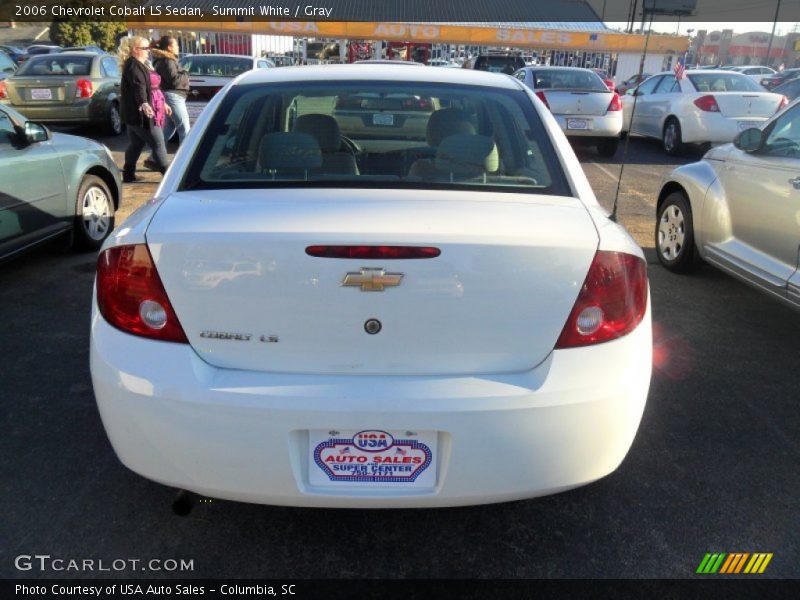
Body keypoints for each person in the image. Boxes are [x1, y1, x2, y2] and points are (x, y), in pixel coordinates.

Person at [119, 36, 171, 183]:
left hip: (137, 113)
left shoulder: (140, 64)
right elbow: (138, 87)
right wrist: (144, 103)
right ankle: (169, 179)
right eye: (145, 48)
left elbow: (152, 87)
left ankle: (128, 174)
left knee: (136, 145)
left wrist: (162, 104)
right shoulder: (134, 66)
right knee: (158, 143)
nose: (148, 51)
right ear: (136, 50)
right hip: (141, 114)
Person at [149, 36, 190, 150]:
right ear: (169, 47)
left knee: (168, 128)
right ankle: (185, 160)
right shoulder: (167, 61)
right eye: (176, 45)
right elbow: (174, 80)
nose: (178, 47)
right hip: (173, 96)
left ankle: (154, 158)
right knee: (184, 129)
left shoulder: (166, 60)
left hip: (172, 96)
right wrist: (185, 74)